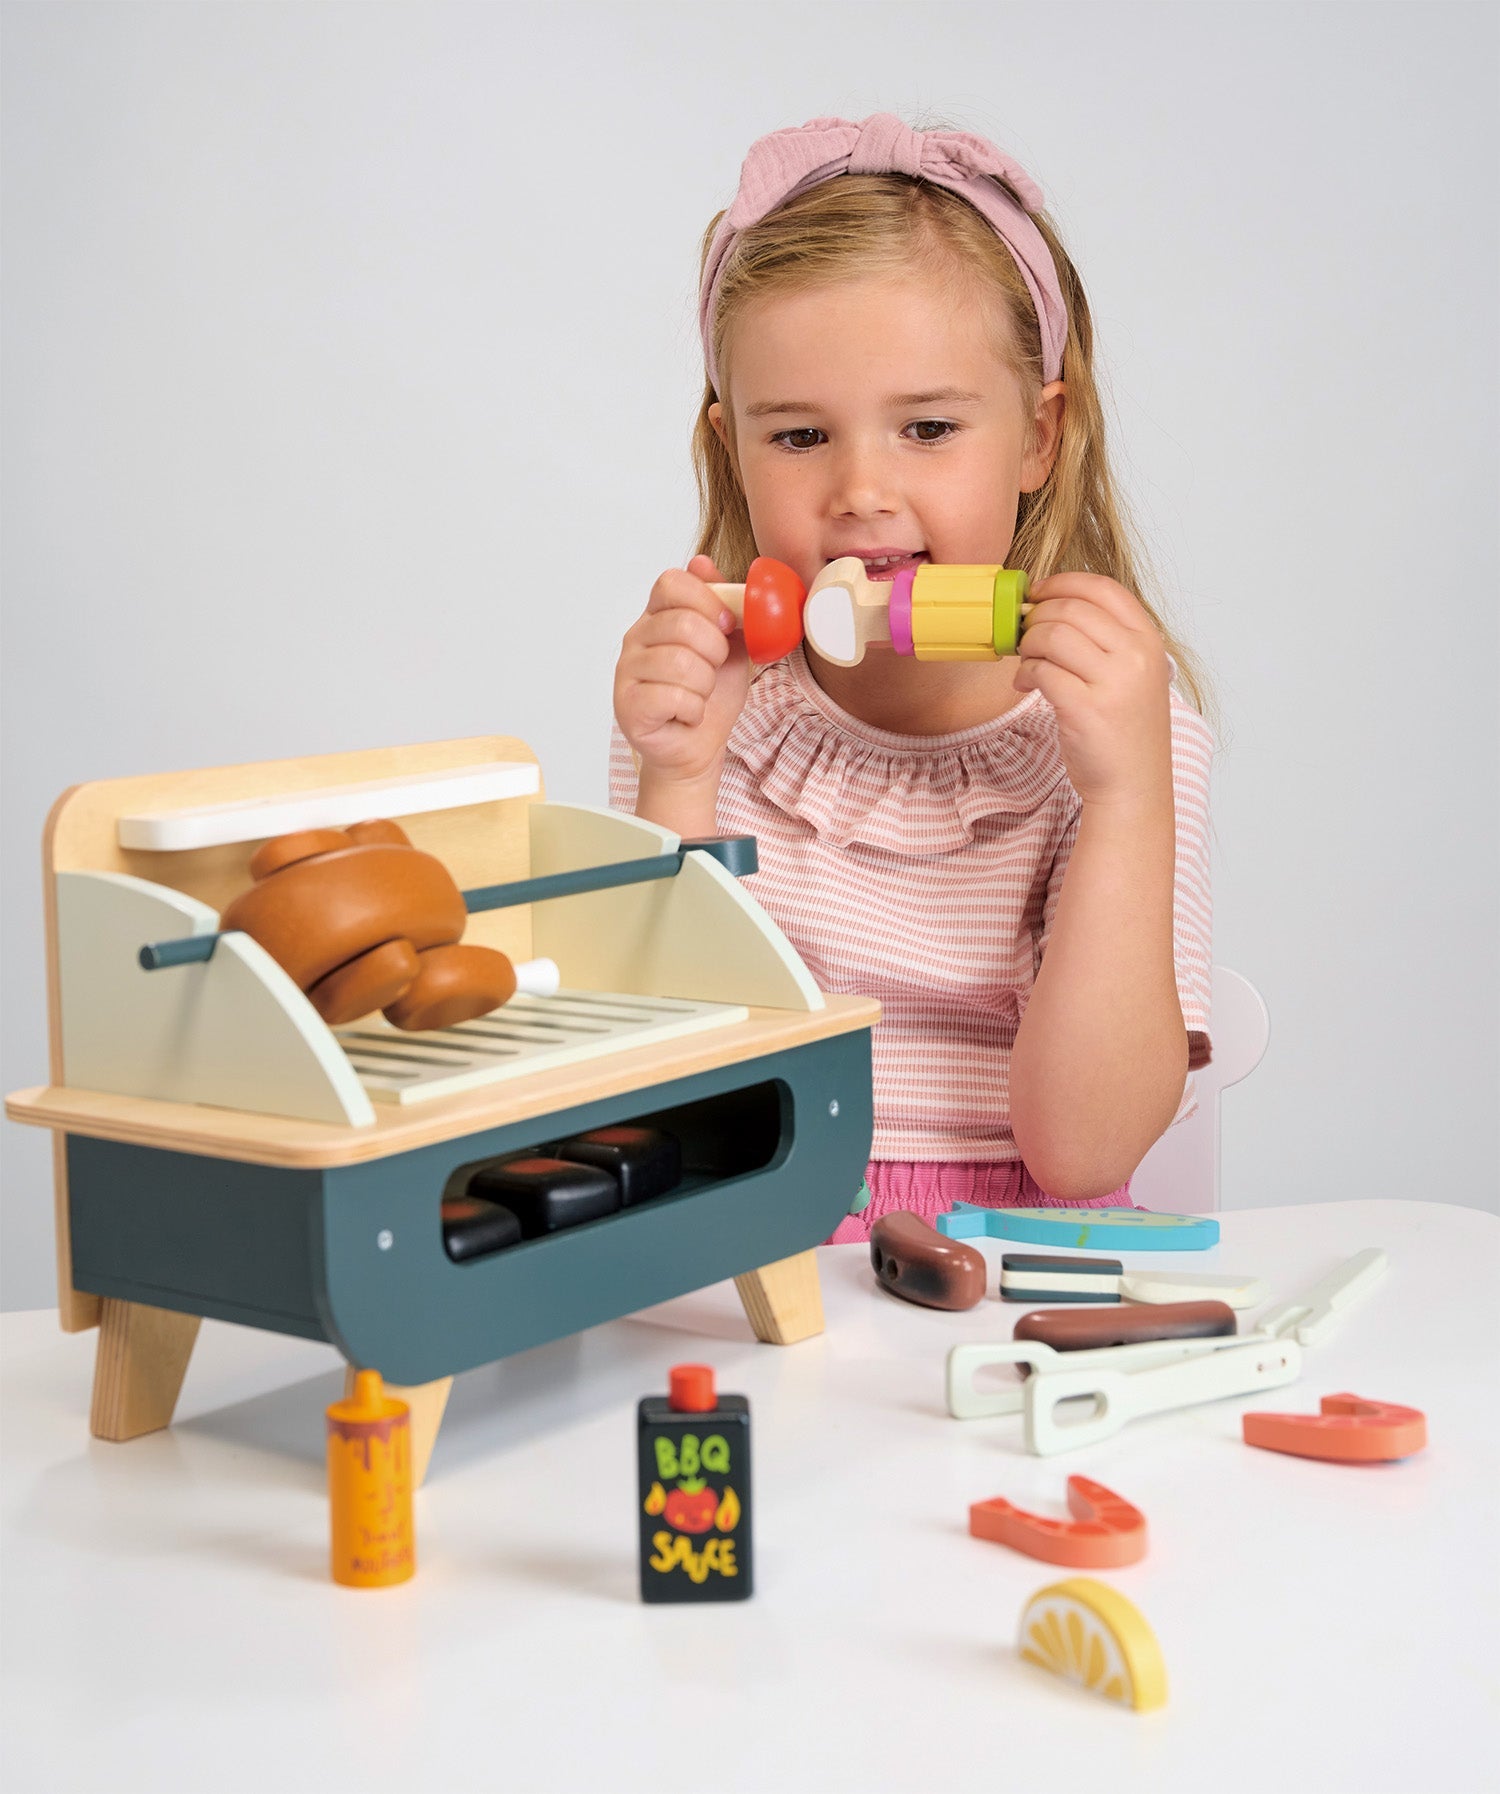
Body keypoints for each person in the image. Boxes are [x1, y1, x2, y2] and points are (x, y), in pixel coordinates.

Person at [611, 113, 1213, 1243]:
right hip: (763, 1234)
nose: (861, 491)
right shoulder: (700, 712)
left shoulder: (1121, 731)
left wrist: (1126, 798)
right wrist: (678, 782)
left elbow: (1085, 1151)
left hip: (1022, 1255)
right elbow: (662, 1107)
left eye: (928, 428)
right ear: (731, 447)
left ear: (1038, 439)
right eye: (799, 438)